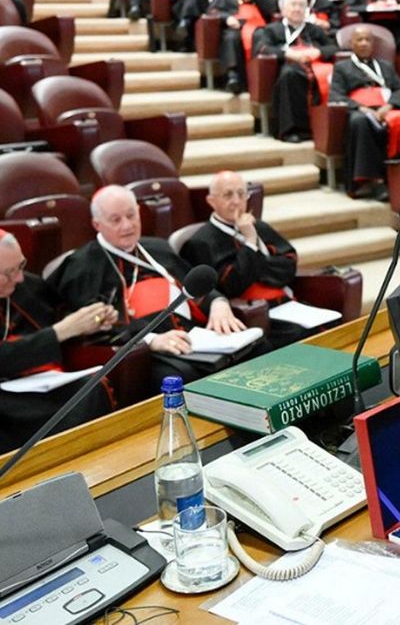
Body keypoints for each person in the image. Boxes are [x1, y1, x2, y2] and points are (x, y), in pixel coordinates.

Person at [48, 186, 259, 387]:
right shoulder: (83, 266)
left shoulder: (157, 247)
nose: (127, 225)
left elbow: (193, 286)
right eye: (116, 220)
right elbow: (97, 328)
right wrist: (151, 340)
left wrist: (218, 303)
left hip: (196, 337)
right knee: (180, 377)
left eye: (131, 215)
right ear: (97, 225)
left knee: (258, 348)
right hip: (144, 351)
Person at [0, 230, 114, 453]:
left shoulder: (27, 285)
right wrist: (60, 331)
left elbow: (62, 317)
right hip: (6, 399)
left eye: (21, 266)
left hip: (42, 381)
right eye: (8, 273)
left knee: (91, 387)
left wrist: (93, 321)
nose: (20, 278)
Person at [179, 171, 311, 348]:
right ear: (211, 201)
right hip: (250, 313)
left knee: (328, 327)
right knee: (301, 336)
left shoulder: (259, 226)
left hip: (284, 304)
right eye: (228, 195)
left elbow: (288, 265)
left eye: (241, 194)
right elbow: (231, 285)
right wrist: (250, 243)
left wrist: (255, 266)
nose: (236, 201)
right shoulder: (200, 242)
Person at [329, 25, 400, 199]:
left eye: (368, 40)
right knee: (360, 121)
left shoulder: (385, 66)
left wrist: (388, 107)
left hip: (384, 108)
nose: (364, 43)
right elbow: (336, 95)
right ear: (352, 44)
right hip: (359, 110)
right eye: (360, 40)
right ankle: (373, 181)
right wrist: (362, 108)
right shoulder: (342, 67)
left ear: (373, 44)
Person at [253, 0, 338, 142]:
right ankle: (293, 129)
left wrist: (317, 51)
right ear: (283, 10)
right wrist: (288, 54)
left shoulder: (314, 29)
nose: (297, 9)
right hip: (288, 65)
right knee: (289, 75)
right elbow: (263, 48)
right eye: (293, 5)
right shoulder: (272, 29)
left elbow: (333, 48)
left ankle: (324, 128)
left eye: (301, 6)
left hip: (316, 66)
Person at [209, 0, 277, 94]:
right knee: (230, 37)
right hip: (236, 27)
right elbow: (213, 11)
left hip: (258, 28)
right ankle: (233, 77)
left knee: (263, 37)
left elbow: (271, 10)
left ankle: (262, 79)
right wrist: (227, 18)